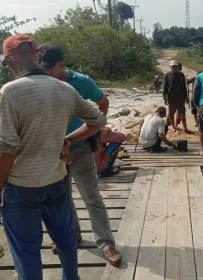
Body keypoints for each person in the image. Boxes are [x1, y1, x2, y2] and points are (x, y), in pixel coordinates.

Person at [0, 34, 106, 280]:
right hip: (57, 181)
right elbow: (98, 119)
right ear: (38, 56)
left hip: (22, 187)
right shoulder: (65, 89)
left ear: (8, 63)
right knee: (66, 239)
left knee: (27, 251)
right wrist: (69, 140)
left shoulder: (9, 92)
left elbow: (6, 149)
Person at [40, 44, 122, 266]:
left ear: (62, 65)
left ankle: (106, 243)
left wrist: (95, 131)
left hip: (80, 148)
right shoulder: (38, 83)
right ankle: (71, 237)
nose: (45, 72)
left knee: (91, 196)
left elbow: (103, 104)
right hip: (53, 152)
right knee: (62, 198)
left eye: (50, 68)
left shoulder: (82, 82)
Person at [163, 60, 191, 133]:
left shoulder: (181, 75)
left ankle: (185, 128)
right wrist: (164, 98)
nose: (174, 68)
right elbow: (165, 88)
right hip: (171, 98)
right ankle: (173, 127)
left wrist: (186, 97)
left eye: (176, 66)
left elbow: (184, 87)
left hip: (181, 98)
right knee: (171, 114)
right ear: (170, 67)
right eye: (173, 66)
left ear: (177, 67)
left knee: (182, 113)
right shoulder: (167, 75)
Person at [175, 62, 190, 128]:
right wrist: (187, 96)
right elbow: (185, 87)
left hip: (174, 97)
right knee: (181, 112)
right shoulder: (181, 75)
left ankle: (175, 125)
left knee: (176, 111)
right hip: (180, 97)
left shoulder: (171, 74)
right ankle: (182, 126)